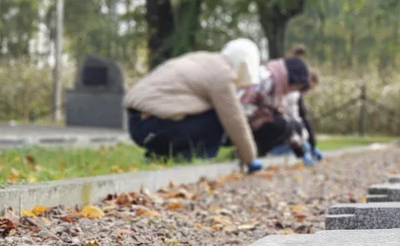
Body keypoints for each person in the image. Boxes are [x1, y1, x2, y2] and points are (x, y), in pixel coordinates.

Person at [124, 40, 263, 170]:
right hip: (153, 125)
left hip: (138, 124)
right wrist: (250, 159)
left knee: (206, 114)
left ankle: (161, 155)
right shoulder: (222, 75)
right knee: (218, 118)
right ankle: (195, 159)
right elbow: (234, 118)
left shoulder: (204, 60)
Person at [238, 51, 311, 160]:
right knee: (281, 125)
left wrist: (298, 148)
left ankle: (264, 150)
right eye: (296, 86)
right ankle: (258, 150)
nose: (294, 89)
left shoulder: (278, 90)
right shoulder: (266, 80)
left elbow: (286, 119)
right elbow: (243, 106)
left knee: (290, 124)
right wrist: (263, 116)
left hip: (255, 122)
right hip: (244, 121)